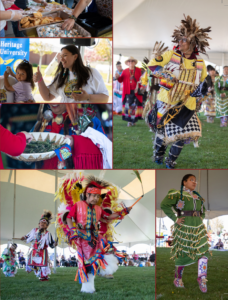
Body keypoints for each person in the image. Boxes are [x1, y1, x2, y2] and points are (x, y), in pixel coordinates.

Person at [141, 15, 210, 168]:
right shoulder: (171, 55)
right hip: (166, 101)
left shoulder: (200, 63)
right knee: (162, 132)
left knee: (182, 135)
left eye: (184, 39)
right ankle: (158, 155)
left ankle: (170, 160)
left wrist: (200, 91)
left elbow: (204, 81)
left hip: (187, 104)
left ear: (192, 42)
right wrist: (167, 74)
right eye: (179, 39)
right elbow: (151, 66)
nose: (180, 42)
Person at [56, 173, 132, 293]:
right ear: (87, 194)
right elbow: (69, 218)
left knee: (108, 251)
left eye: (98, 196)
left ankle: (103, 272)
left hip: (96, 238)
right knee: (87, 264)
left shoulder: (98, 208)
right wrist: (72, 231)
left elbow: (107, 217)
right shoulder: (78, 205)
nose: (96, 199)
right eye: (94, 196)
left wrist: (122, 212)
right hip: (83, 238)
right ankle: (87, 288)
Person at [160, 174, 211, 293]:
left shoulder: (198, 197)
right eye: (191, 180)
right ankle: (178, 279)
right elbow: (164, 205)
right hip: (184, 227)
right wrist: (175, 218)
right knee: (183, 253)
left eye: (195, 180)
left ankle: (202, 279)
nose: (194, 182)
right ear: (184, 182)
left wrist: (199, 218)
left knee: (203, 251)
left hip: (198, 228)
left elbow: (202, 211)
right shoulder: (177, 194)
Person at [29, 103, 111, 169]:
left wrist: (75, 142)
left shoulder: (87, 120)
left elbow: (104, 150)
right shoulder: (43, 123)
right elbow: (28, 153)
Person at [34, 45, 109, 103]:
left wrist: (87, 97)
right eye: (61, 56)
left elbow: (105, 98)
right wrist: (40, 80)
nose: (62, 59)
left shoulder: (91, 73)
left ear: (75, 56)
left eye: (65, 55)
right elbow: (47, 97)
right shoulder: (61, 75)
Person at [21, 210, 57, 281]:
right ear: (39, 224)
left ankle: (43, 276)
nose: (42, 224)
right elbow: (28, 236)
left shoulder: (48, 234)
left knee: (43, 265)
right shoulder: (34, 230)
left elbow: (51, 243)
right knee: (33, 263)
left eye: (44, 223)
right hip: (34, 250)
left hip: (43, 252)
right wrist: (24, 238)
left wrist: (54, 244)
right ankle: (37, 272)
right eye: (41, 223)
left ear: (46, 226)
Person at [116, 56, 143, 127]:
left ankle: (133, 121)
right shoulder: (124, 71)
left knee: (135, 106)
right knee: (128, 106)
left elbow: (143, 80)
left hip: (137, 91)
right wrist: (117, 77)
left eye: (132, 61)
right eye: (129, 61)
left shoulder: (139, 70)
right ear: (127, 63)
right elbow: (120, 80)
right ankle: (129, 121)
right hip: (127, 91)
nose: (131, 62)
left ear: (134, 63)